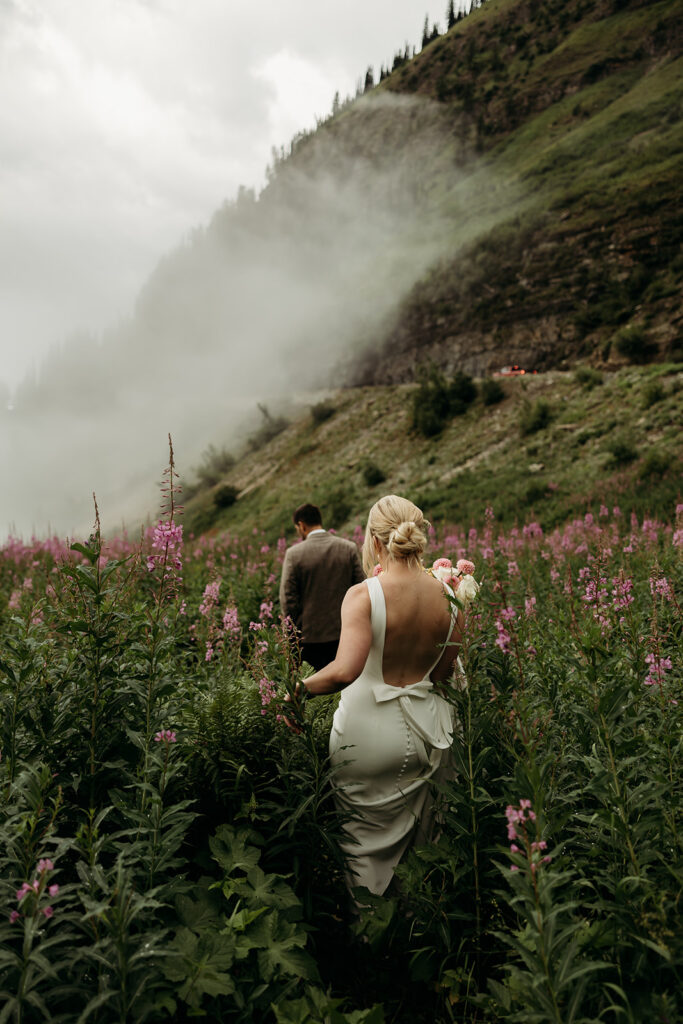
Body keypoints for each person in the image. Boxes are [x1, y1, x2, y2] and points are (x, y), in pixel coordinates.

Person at [287, 494, 463, 898]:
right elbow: (443, 675)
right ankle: (409, 931)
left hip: (365, 739)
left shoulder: (365, 595)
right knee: (418, 851)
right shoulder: (451, 597)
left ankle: (367, 937)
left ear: (374, 540)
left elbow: (344, 671)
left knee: (359, 846)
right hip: (426, 734)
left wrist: (295, 691)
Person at [279, 502, 365, 671]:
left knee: (315, 691)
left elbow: (288, 600)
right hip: (347, 635)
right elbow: (361, 589)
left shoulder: (294, 555)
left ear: (301, 525)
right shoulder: (348, 548)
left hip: (309, 640)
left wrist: (292, 636)